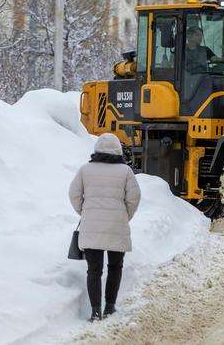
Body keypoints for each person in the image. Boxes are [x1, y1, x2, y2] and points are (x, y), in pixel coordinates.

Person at [69, 133, 141, 322]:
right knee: (115, 266)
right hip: (117, 225)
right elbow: (134, 198)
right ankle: (110, 307)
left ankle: (95, 312)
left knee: (94, 270)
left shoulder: (85, 170)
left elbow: (74, 194)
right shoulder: (125, 171)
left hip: (91, 225)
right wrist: (125, 215)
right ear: (118, 149)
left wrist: (85, 212)